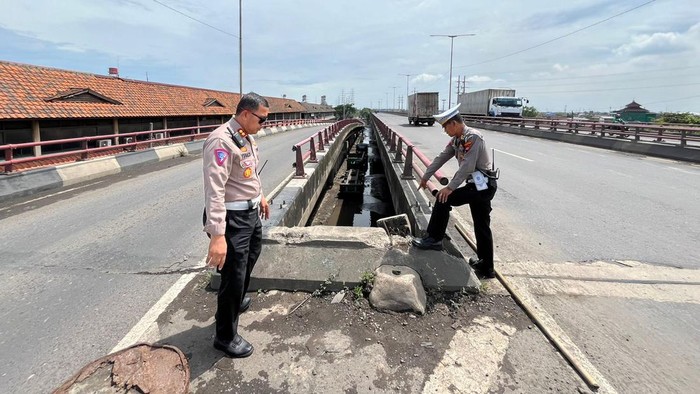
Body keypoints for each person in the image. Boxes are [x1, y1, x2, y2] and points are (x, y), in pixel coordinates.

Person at [202, 92, 271, 358]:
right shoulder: (221, 141)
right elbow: (214, 191)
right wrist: (217, 235)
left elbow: (250, 173)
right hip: (233, 221)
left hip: (251, 213)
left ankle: (237, 298)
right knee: (234, 275)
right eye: (262, 119)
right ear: (245, 114)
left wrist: (261, 196)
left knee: (251, 258)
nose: (263, 124)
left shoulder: (245, 136)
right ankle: (225, 336)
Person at [411, 104, 498, 278]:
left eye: (445, 127)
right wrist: (426, 176)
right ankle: (486, 267)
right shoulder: (458, 140)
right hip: (478, 185)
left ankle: (434, 239)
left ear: (454, 124)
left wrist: (450, 187)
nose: (445, 131)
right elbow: (441, 157)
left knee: (444, 198)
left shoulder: (473, 137)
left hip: (483, 185)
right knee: (481, 225)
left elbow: (468, 166)